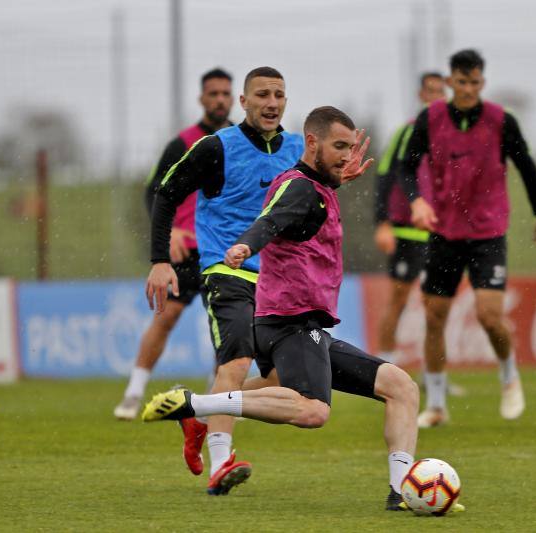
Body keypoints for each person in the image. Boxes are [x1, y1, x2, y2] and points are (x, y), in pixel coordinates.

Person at [142, 106, 460, 513]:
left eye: (349, 147)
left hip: (305, 324)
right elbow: (272, 220)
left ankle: (403, 492)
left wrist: (337, 179)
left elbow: (299, 206)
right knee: (312, 411)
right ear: (312, 143)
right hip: (290, 323)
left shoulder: (314, 185)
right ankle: (196, 405)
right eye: (339, 146)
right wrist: (247, 245)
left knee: (401, 387)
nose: (347, 155)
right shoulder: (300, 188)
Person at [145, 66, 305, 495]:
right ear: (244, 102)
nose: (272, 102)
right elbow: (165, 193)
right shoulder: (216, 147)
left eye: (279, 94)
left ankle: (199, 416)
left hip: (278, 281)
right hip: (226, 272)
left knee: (279, 382)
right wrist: (160, 259)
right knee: (234, 363)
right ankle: (221, 462)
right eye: (262, 95)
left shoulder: (298, 148)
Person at [401, 49, 536, 428]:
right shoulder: (431, 119)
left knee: (489, 315)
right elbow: (407, 165)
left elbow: (526, 166)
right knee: (435, 317)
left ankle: (509, 375)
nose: (467, 88)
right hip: (444, 232)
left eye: (474, 82)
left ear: (482, 83)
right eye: (461, 81)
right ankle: (436, 404)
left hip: (487, 233)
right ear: (450, 82)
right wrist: (417, 201)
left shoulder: (501, 121)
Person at [114, 68, 234, 422]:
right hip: (188, 249)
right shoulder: (183, 143)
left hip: (225, 250)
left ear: (234, 98)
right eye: (213, 93)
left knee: (225, 329)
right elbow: (155, 192)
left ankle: (217, 398)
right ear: (201, 99)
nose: (219, 100)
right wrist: (170, 234)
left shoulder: (240, 141)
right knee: (165, 318)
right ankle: (134, 392)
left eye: (225, 93)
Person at [373, 72, 445, 366]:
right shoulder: (407, 133)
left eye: (441, 92)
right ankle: (384, 368)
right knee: (399, 302)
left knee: (437, 307)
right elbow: (386, 175)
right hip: (406, 232)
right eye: (431, 91)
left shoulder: (452, 138)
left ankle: (434, 375)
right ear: (421, 95)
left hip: (440, 235)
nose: (436, 97)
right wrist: (382, 223)